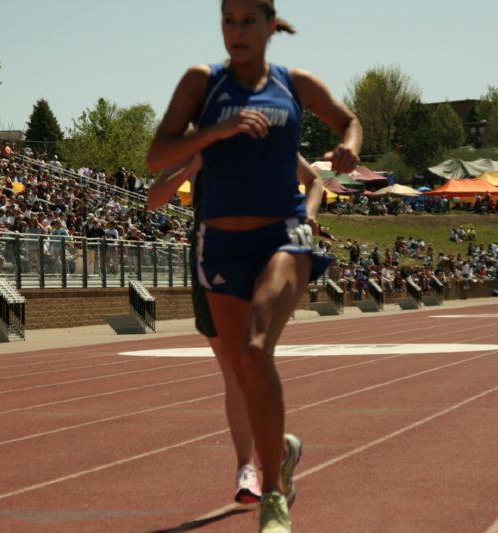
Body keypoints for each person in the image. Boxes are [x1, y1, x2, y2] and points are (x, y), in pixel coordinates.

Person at [146, 1, 362, 530]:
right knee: (242, 369)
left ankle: (272, 497)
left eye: (247, 21)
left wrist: (348, 149)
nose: (236, 32)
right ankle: (279, 451)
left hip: (281, 238)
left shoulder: (295, 83)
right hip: (218, 246)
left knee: (255, 347)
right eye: (228, 20)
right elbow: (156, 156)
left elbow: (348, 121)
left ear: (270, 25)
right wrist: (214, 134)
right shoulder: (203, 83)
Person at [148, 148, 322, 507]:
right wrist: (194, 162)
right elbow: (155, 199)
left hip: (264, 253)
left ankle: (255, 464)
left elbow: (314, 180)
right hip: (211, 256)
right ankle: (261, 457)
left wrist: (308, 214)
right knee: (231, 364)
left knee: (251, 354)